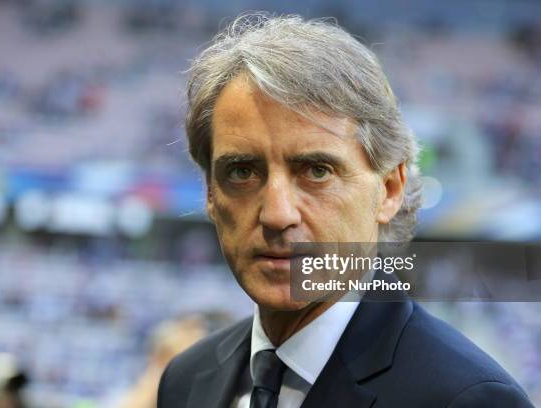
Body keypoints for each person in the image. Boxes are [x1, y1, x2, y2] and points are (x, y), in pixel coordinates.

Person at [157, 13, 534, 408]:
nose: (277, 214)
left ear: (389, 190)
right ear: (210, 195)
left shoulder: (469, 399)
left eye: (317, 171)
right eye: (242, 171)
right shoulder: (187, 380)